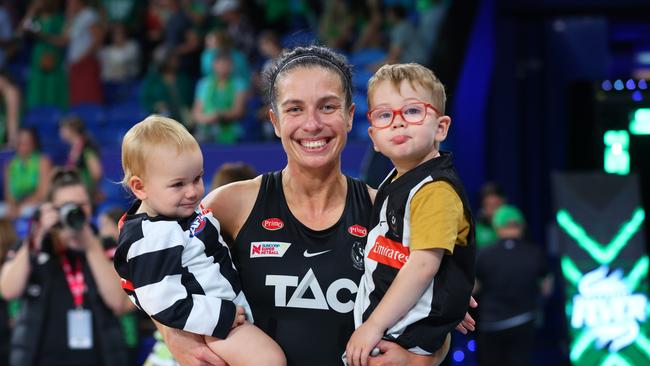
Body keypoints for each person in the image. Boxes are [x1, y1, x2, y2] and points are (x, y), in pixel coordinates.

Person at [158, 45, 474, 366]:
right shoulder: (232, 204)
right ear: (275, 121)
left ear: (350, 116)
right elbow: (143, 258)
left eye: (327, 107)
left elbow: (434, 328)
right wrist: (176, 338)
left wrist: (414, 361)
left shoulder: (387, 212)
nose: (312, 124)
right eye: (294, 109)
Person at [114, 115, 286, 365]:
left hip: (225, 315)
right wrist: (220, 317)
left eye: (197, 179)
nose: (193, 191)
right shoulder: (151, 236)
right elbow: (162, 301)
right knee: (269, 360)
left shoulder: (176, 214)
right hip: (214, 326)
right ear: (140, 187)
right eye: (178, 184)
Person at [345, 63, 475, 366]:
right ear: (374, 137)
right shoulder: (396, 182)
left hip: (400, 340)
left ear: (441, 127)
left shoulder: (435, 191)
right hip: (390, 334)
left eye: (413, 111)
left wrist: (373, 326)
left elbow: (422, 266)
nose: (398, 123)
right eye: (385, 115)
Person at [0, 168, 131, 366]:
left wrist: (91, 246)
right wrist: (36, 236)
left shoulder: (104, 245)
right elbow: (8, 290)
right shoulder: (34, 245)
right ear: (51, 209)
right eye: (66, 206)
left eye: (81, 205)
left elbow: (120, 303)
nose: (75, 211)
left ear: (91, 206)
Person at [474, 205, 552, 366]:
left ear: (497, 227)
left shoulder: (484, 254)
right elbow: (546, 288)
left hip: (491, 324)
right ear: (521, 226)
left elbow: (473, 288)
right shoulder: (535, 252)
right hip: (524, 321)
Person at [2, 128, 52, 219]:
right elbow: (9, 195)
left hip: (35, 204)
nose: (22, 146)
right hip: (16, 206)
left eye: (26, 142)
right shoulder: (9, 165)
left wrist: (21, 206)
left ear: (33, 143)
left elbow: (43, 193)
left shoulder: (43, 161)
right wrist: (13, 207)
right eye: (19, 142)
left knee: (30, 211)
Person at [59, 115, 103, 204]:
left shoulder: (87, 149)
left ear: (72, 130)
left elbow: (97, 173)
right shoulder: (74, 148)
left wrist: (88, 189)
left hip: (85, 195)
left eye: (63, 128)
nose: (60, 132)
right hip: (75, 191)